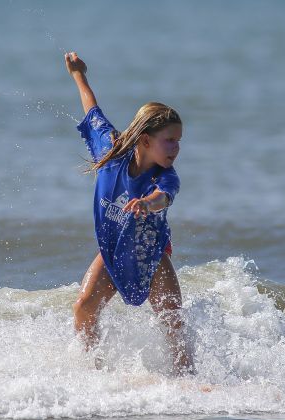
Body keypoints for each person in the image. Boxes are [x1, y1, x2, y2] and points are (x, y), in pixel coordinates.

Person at [65, 51, 192, 374]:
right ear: (146, 140)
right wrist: (78, 74)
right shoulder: (110, 151)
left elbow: (165, 197)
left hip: (151, 254)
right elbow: (91, 108)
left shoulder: (164, 176)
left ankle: (186, 377)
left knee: (172, 320)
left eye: (179, 141)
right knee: (84, 307)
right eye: (170, 141)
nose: (176, 148)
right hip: (113, 251)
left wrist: (148, 204)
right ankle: (90, 370)